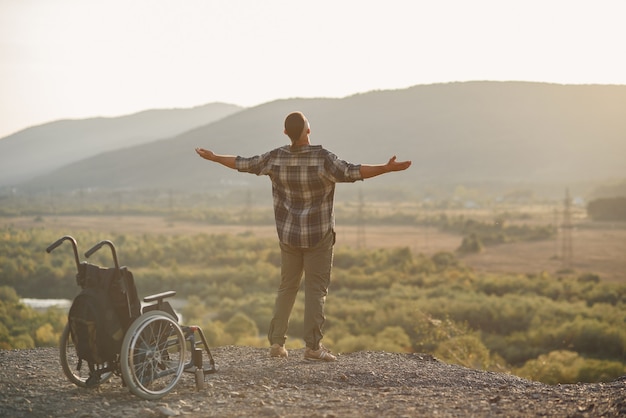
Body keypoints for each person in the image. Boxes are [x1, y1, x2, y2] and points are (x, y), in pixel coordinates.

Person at [195, 111, 411, 361]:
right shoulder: (323, 159)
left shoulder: (275, 158)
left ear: (286, 133)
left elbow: (243, 163)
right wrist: (386, 168)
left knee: (287, 287)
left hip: (288, 236)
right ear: (308, 131)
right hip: (319, 236)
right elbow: (354, 172)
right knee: (316, 290)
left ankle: (277, 344)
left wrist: (214, 158)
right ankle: (313, 348)